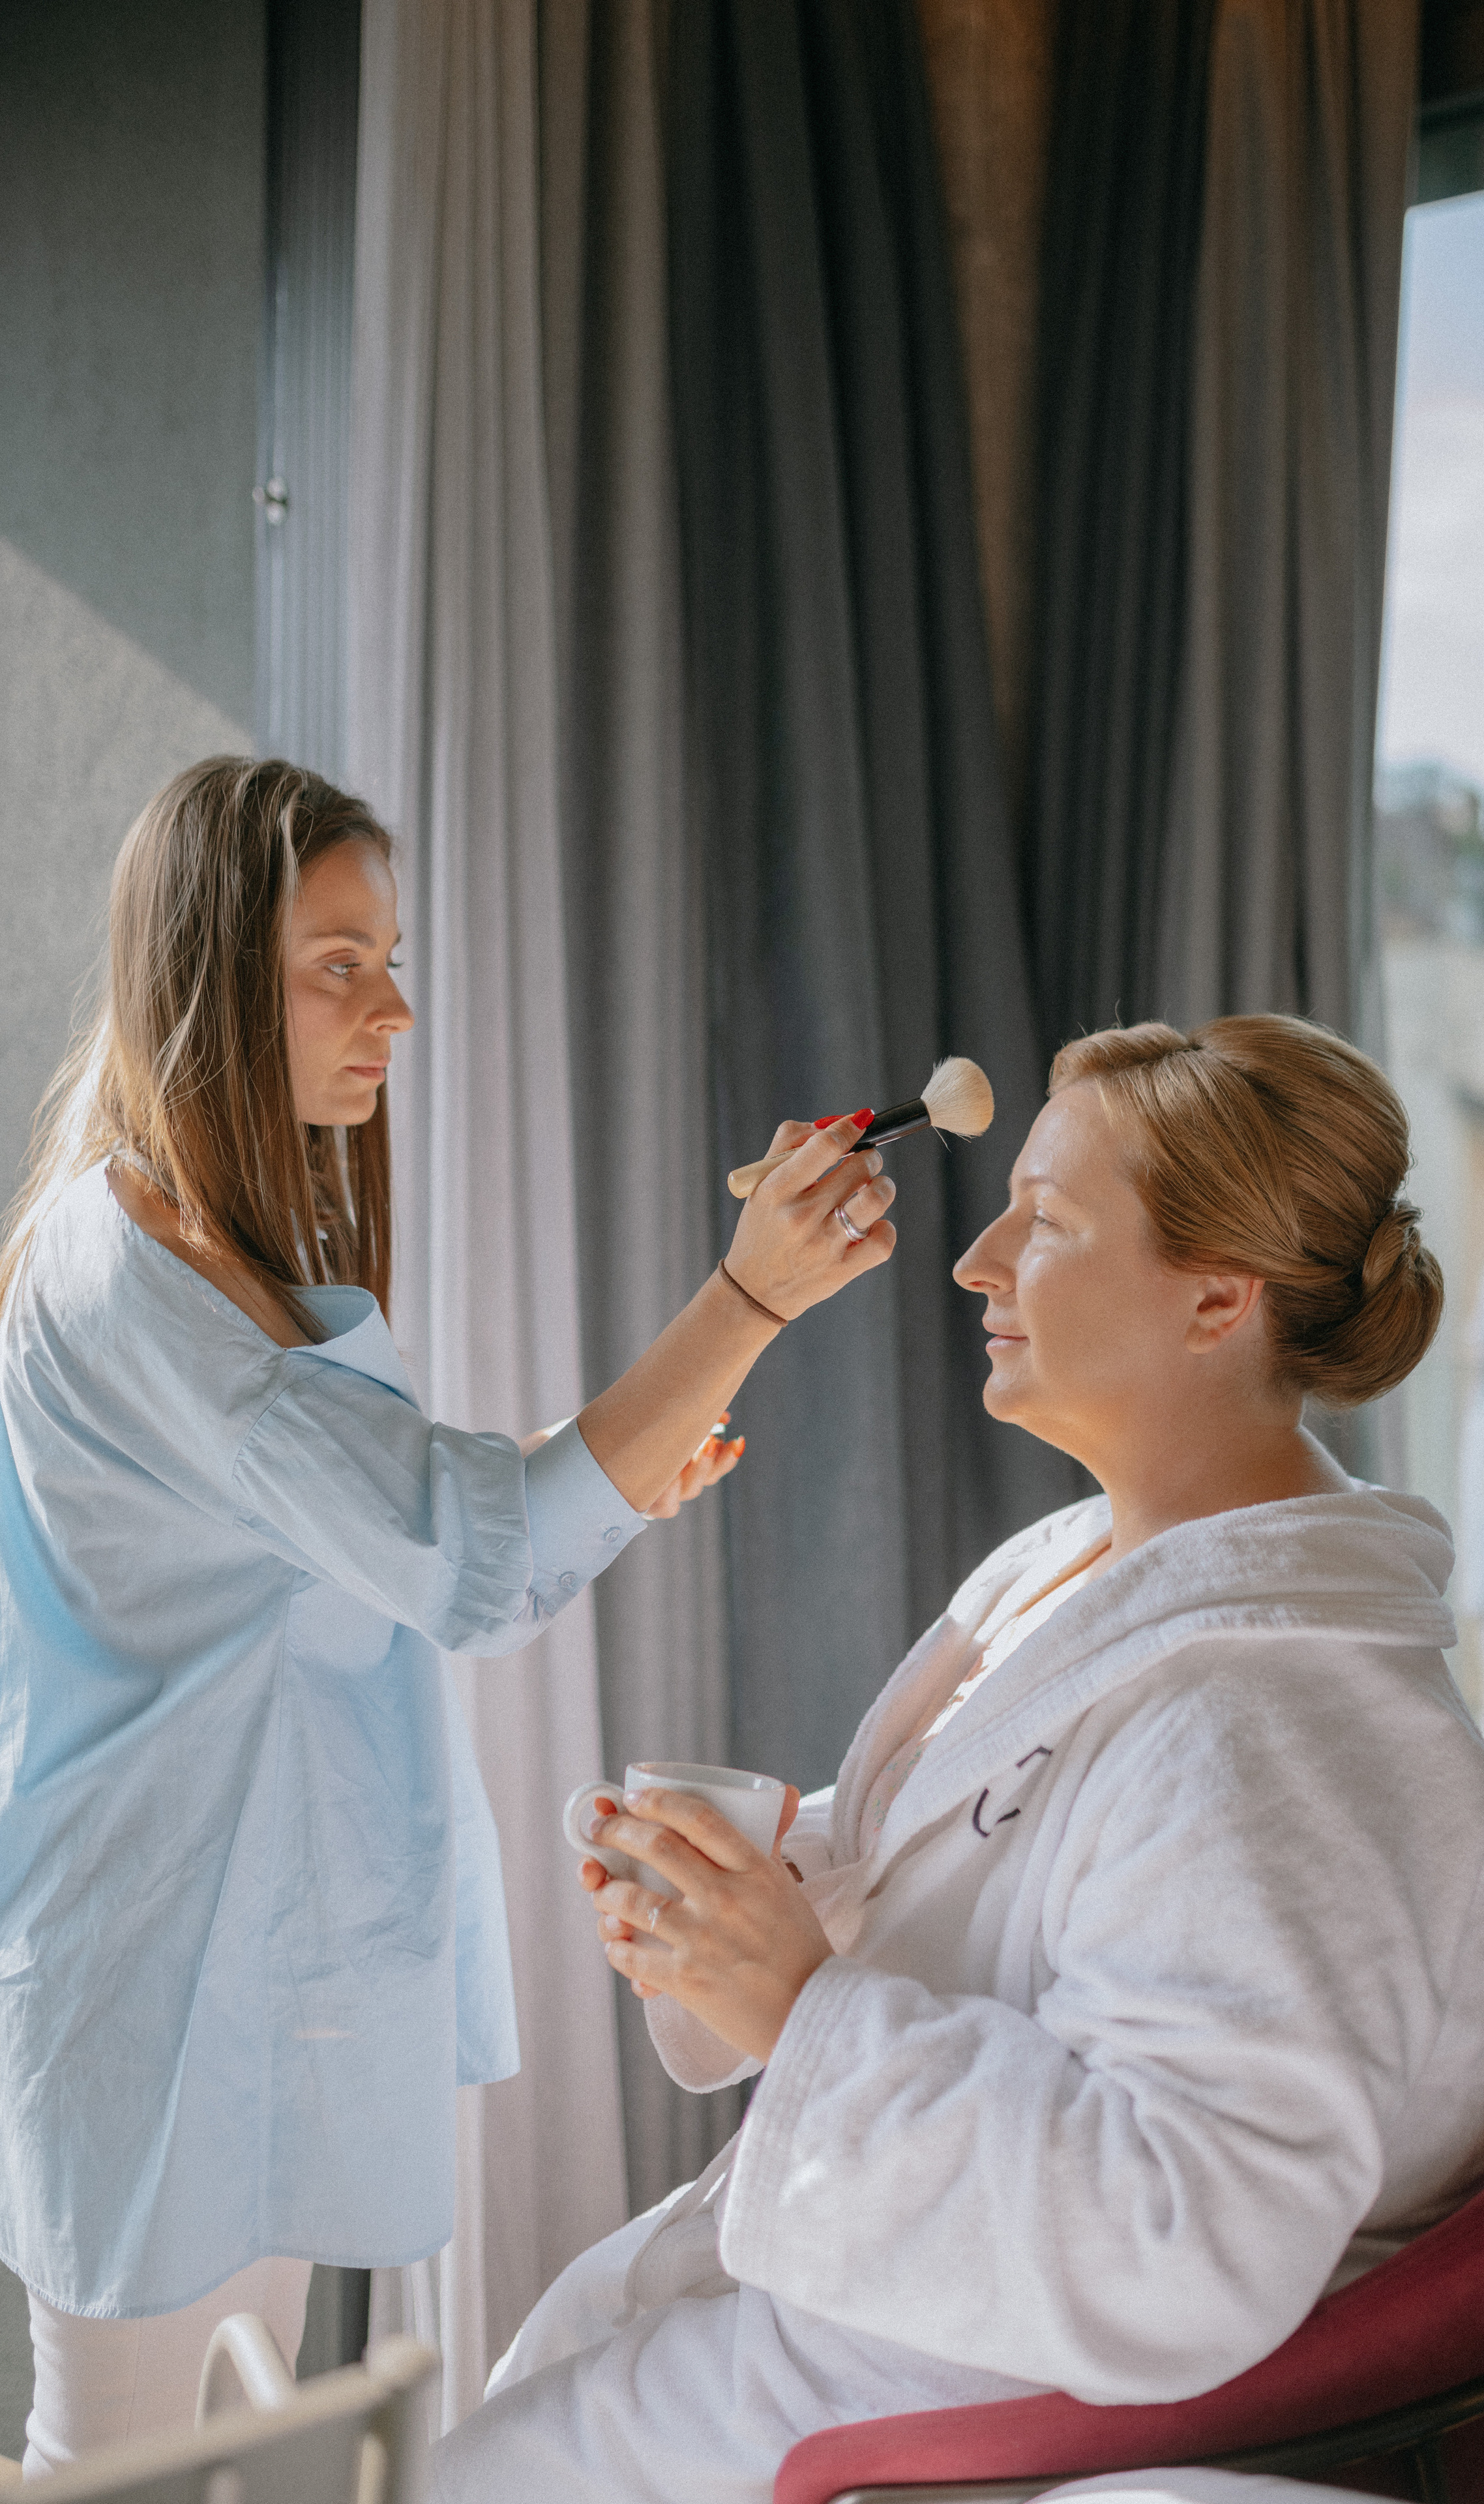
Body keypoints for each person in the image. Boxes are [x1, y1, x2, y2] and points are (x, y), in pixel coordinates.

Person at [432, 1015, 1484, 2504]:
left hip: (1007, 2397)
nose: (974, 1263)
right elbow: (1036, 1868)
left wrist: (797, 2005)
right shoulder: (1085, 1571)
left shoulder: (1277, 1724)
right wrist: (781, 1881)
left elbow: (1181, 2239)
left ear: (1216, 1297)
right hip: (921, 2316)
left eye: (1047, 1222)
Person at [0, 756, 897, 2475]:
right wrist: (746, 1301)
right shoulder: (147, 1281)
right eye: (342, 962)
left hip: (234, 1940)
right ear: (201, 971)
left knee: (227, 2429)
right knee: (107, 2461)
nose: (394, 1009)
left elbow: (393, 1528)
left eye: (391, 958)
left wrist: (612, 1474)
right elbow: (469, 1559)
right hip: (149, 1968)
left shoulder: (196, 1248)